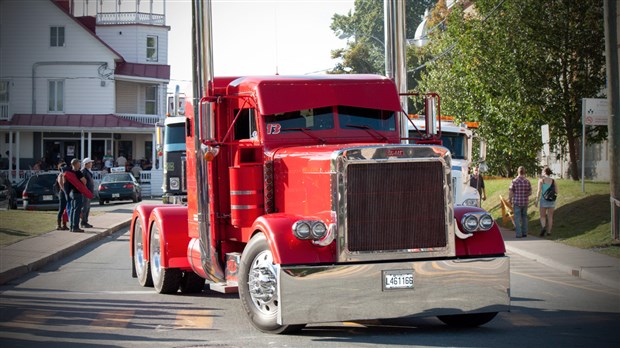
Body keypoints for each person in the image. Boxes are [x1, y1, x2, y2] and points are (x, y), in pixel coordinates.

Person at [509, 166, 532, 238]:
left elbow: (511, 191)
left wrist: (510, 200)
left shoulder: (514, 181)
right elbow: (530, 192)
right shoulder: (527, 181)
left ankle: (519, 234)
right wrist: (525, 195)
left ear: (518, 172)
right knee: (524, 217)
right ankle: (524, 233)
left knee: (517, 218)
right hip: (525, 202)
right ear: (524, 172)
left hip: (517, 202)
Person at [65, 158, 87, 233]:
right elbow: (84, 181)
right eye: (79, 163)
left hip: (71, 192)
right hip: (77, 192)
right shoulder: (78, 172)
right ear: (76, 164)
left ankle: (71, 226)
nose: (80, 164)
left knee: (72, 209)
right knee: (77, 210)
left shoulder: (69, 172)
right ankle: (75, 227)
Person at [535, 167, 558, 236]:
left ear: (544, 172)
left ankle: (543, 227)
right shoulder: (553, 180)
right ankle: (549, 232)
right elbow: (557, 191)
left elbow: (539, 191)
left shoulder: (541, 180)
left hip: (543, 200)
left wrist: (536, 200)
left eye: (542, 171)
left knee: (542, 216)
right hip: (551, 200)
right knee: (550, 216)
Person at [80, 158, 95, 229]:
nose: (91, 164)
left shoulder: (89, 171)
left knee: (88, 207)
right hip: (85, 192)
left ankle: (86, 221)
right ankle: (83, 222)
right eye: (90, 163)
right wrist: (85, 190)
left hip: (89, 192)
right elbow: (82, 182)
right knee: (85, 208)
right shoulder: (83, 171)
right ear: (86, 164)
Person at [55, 162, 69, 230]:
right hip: (62, 193)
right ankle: (58, 224)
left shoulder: (65, 174)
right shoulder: (60, 175)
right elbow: (61, 185)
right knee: (61, 209)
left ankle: (64, 224)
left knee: (65, 210)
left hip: (66, 193)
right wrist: (66, 192)